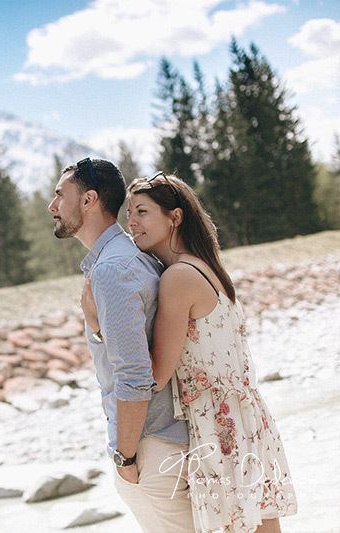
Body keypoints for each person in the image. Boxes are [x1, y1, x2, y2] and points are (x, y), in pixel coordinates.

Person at [82, 172, 298, 532]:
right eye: (129, 213)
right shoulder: (205, 265)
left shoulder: (177, 278)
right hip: (245, 419)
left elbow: (154, 375)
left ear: (175, 217)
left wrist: (98, 324)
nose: (130, 223)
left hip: (218, 426)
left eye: (142, 212)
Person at [48, 158, 194, 532]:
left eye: (59, 195)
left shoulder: (113, 268)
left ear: (89, 200)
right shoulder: (133, 256)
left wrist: (125, 456)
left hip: (150, 449)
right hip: (165, 442)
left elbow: (133, 374)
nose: (52, 207)